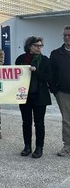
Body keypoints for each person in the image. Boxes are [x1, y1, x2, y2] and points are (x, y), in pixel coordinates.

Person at [15, 36, 53, 158]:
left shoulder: (45, 60)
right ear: (29, 46)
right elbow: (15, 76)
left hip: (40, 96)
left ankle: (39, 148)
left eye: (40, 45)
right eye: (36, 45)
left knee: (39, 123)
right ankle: (27, 146)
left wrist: (36, 71)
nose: (38, 48)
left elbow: (49, 78)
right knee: (26, 122)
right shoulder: (21, 59)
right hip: (24, 96)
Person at [50, 25, 70, 156]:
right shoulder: (56, 54)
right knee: (67, 120)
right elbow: (51, 74)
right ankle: (68, 147)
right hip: (63, 93)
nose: (67, 38)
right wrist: (55, 90)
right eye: (65, 35)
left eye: (69, 35)